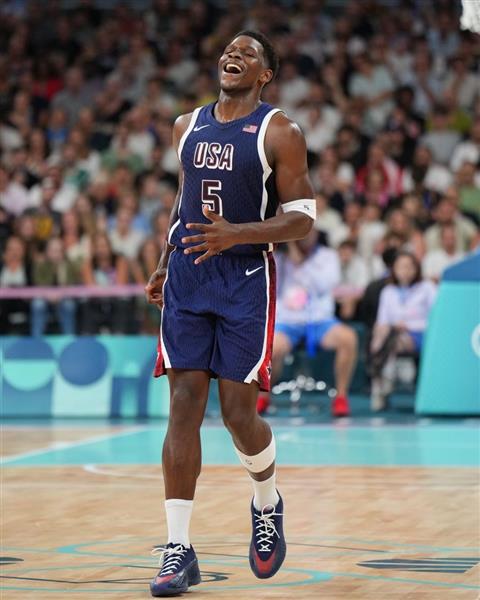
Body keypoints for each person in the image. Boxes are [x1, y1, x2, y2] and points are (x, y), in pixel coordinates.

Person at [144, 31, 315, 597]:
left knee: (238, 415)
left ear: (265, 74)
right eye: (228, 50)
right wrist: (165, 261)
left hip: (244, 279)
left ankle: (266, 501)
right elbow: (184, 200)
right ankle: (178, 548)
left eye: (248, 53)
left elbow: (302, 218)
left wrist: (236, 234)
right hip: (189, 276)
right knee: (183, 407)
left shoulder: (280, 131)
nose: (232, 56)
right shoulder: (186, 126)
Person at [257, 230, 357, 417]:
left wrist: (301, 263)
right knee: (272, 347)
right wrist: (289, 251)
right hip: (288, 322)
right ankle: (263, 396)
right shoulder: (280, 257)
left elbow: (324, 284)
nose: (303, 237)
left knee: (348, 339)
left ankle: (341, 397)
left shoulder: (328, 256)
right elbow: (269, 284)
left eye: (308, 233)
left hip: (320, 320)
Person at [369, 251, 437, 411]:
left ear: (416, 268)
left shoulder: (427, 287)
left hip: (421, 334)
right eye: (401, 267)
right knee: (381, 337)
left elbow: (436, 318)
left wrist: (410, 325)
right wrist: (382, 333)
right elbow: (382, 320)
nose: (405, 271)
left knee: (392, 341)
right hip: (393, 333)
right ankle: (385, 380)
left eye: (409, 267)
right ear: (394, 269)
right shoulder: (388, 291)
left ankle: (384, 381)